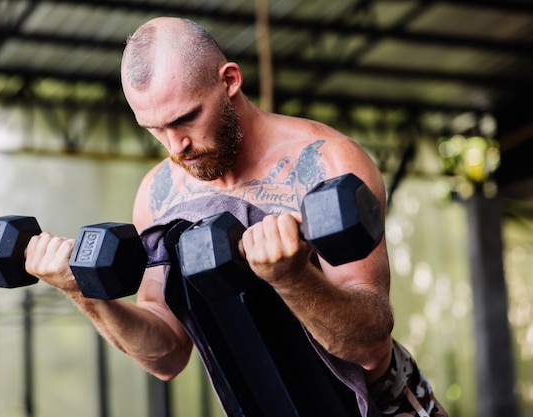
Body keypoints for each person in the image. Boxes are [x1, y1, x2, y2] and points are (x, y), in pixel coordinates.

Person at [25, 17, 447, 417]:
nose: (177, 146)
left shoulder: (328, 163)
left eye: (186, 117)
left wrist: (292, 277)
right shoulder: (158, 196)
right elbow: (168, 356)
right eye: (154, 129)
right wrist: (83, 293)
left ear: (229, 80)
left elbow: (369, 347)